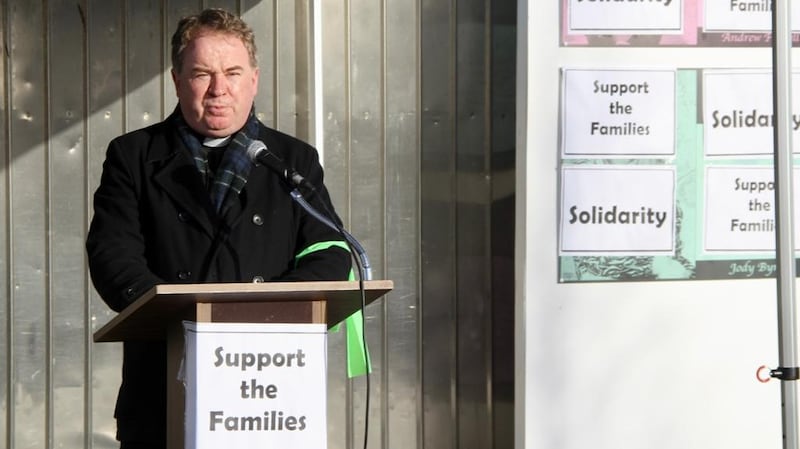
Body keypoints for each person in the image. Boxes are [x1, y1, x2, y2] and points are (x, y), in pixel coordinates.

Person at [86, 8, 351, 448]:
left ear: (254, 79)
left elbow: (330, 249)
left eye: (232, 72)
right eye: (201, 74)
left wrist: (264, 315)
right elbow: (113, 255)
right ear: (176, 80)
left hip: (266, 391)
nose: (218, 89)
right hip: (165, 385)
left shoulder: (293, 160)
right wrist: (182, 322)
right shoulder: (132, 156)